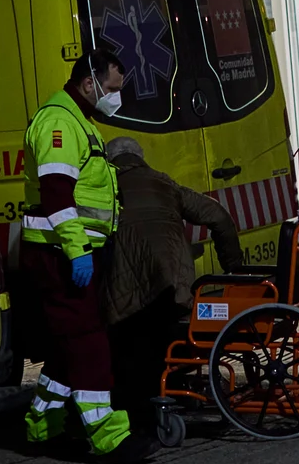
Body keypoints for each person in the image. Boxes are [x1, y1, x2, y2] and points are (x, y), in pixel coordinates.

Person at [16, 50, 155, 461]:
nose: (116, 98)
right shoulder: (60, 123)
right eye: (112, 88)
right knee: (89, 343)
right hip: (59, 254)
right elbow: (56, 197)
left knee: (66, 346)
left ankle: (43, 423)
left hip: (71, 251)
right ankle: (108, 435)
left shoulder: (79, 120)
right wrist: (78, 253)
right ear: (89, 83)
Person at [99, 136, 243, 430]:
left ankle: (135, 406)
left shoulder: (104, 188)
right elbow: (218, 215)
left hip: (125, 297)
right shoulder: (163, 183)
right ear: (140, 157)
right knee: (170, 330)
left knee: (126, 341)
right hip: (173, 287)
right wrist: (234, 267)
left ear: (108, 161)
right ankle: (175, 387)